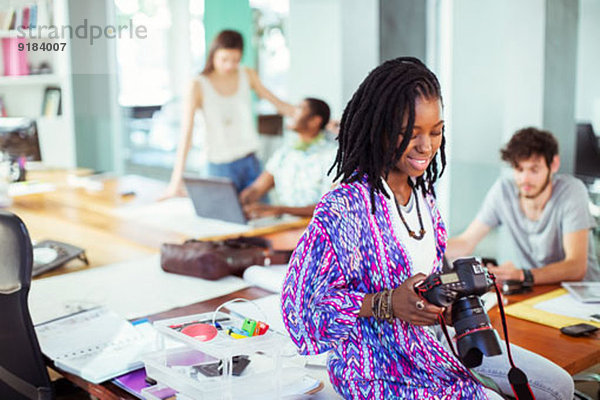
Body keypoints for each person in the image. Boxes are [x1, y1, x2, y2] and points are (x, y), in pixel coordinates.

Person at [280, 58, 573, 399]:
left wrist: (443, 307)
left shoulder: (424, 197)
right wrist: (384, 303)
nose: (426, 146)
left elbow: (424, 285)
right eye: (411, 133)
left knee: (559, 386)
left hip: (433, 346)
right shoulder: (344, 207)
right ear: (380, 129)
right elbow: (301, 311)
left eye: (436, 131)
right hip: (378, 367)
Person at [447, 127, 600, 285]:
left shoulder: (571, 191)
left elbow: (576, 267)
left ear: (554, 165)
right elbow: (465, 242)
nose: (525, 179)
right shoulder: (503, 191)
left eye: (534, 170)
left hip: (583, 297)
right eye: (519, 169)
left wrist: (522, 275)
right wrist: (428, 252)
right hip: (537, 292)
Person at [163, 30, 296, 198]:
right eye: (224, 59)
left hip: (251, 162)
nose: (229, 66)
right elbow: (186, 135)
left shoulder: (247, 74)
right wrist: (176, 181)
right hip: (219, 166)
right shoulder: (197, 85)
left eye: (235, 60)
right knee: (223, 222)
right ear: (213, 55)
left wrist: (319, 118)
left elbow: (279, 105)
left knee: (263, 218)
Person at [238, 97, 336, 218]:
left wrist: (280, 210)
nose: (292, 112)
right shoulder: (285, 153)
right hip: (285, 226)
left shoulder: (332, 155)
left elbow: (330, 206)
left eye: (299, 108)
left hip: (316, 228)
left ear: (315, 121)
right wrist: (242, 200)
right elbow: (258, 188)